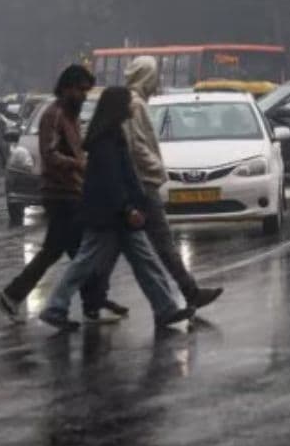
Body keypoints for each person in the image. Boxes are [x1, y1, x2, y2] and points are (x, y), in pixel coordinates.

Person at [39, 87, 194, 332]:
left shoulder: (113, 134)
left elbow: (127, 175)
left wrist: (136, 204)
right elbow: (113, 180)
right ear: (117, 107)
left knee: (145, 261)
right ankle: (54, 308)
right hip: (108, 217)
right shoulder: (105, 141)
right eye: (128, 103)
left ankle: (166, 309)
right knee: (85, 263)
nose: (132, 107)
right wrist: (128, 208)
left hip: (118, 216)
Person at [0, 65, 126, 325]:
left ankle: (14, 296)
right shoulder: (53, 115)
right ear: (66, 88)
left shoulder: (71, 115)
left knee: (65, 252)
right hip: (61, 195)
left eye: (86, 91)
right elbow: (50, 154)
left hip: (72, 192)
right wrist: (79, 165)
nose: (84, 95)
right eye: (80, 90)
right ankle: (84, 304)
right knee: (82, 253)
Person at [117, 56, 222, 310]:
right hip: (143, 184)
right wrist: (156, 168)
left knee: (115, 250)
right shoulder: (135, 105)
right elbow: (137, 146)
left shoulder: (134, 102)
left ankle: (92, 297)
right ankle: (189, 291)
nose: (158, 83)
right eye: (155, 77)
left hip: (137, 183)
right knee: (163, 244)